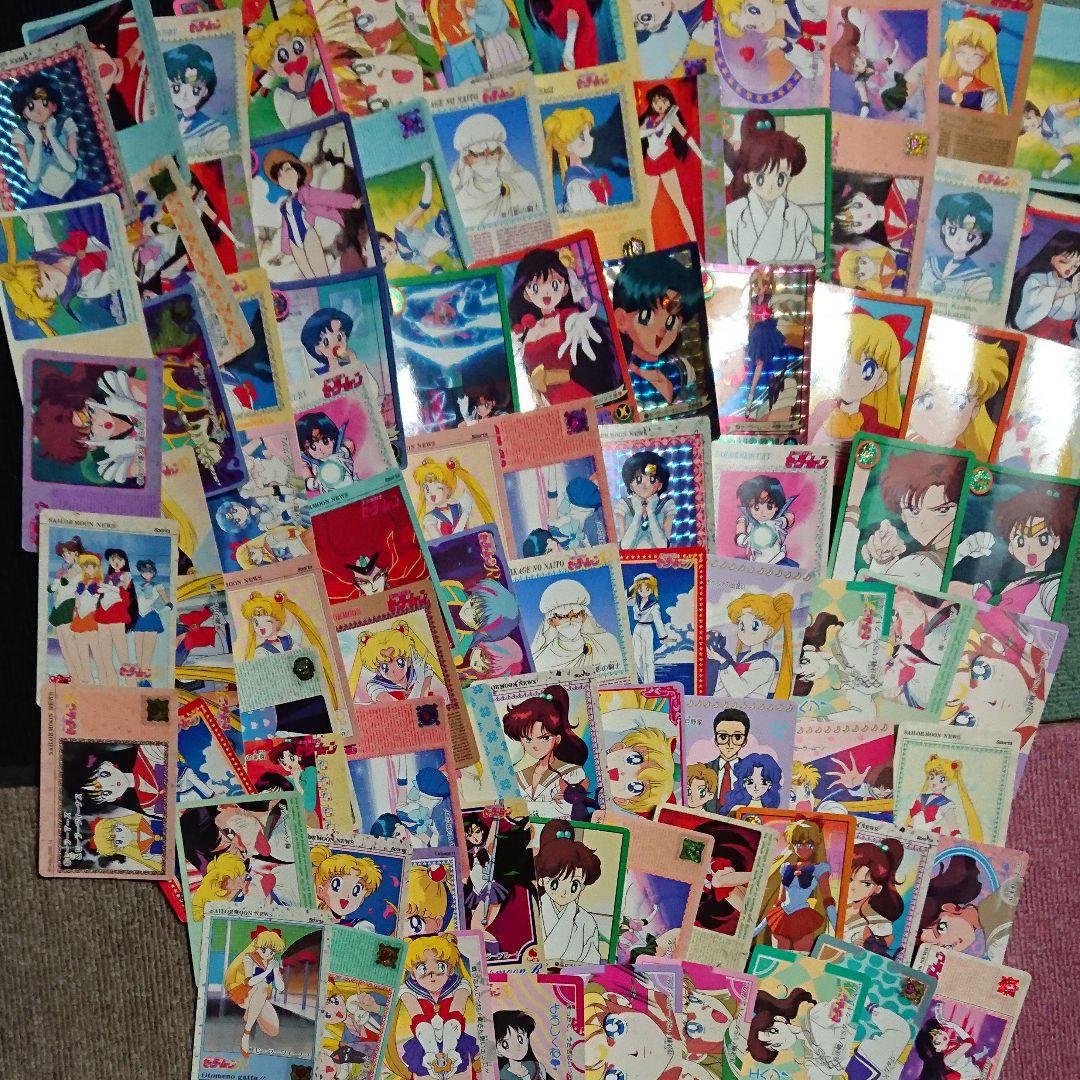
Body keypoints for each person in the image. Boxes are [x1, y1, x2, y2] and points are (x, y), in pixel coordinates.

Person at [507, 248, 614, 404]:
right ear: (526, 294)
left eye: (554, 284)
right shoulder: (528, 328)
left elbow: (574, 324)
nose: (546, 293)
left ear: (565, 289)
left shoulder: (566, 317)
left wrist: (578, 323)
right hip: (541, 401)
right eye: (535, 287)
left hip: (568, 397)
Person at [857, 451, 968, 590]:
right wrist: (883, 561)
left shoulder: (970, 556)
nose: (924, 523)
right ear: (902, 514)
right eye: (913, 511)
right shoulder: (911, 554)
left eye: (942, 510)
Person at [611, 250, 705, 412]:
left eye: (671, 321)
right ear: (621, 320)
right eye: (646, 317)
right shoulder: (619, 378)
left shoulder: (681, 369)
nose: (661, 331)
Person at [726, 109, 816, 265]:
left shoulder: (798, 217)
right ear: (747, 176)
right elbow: (727, 266)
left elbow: (807, 262)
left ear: (789, 178)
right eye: (760, 178)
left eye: (780, 178)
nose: (771, 186)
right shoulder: (732, 214)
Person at [809, 309, 908, 442]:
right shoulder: (823, 409)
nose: (848, 377)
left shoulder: (878, 427)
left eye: (867, 369)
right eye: (842, 359)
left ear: (880, 380)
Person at [262, 149, 362, 279]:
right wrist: (285, 249)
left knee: (321, 273)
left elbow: (327, 198)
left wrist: (351, 202)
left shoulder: (306, 193)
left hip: (308, 236)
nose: (284, 176)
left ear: (298, 172)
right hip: (295, 245)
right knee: (308, 275)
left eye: (287, 170)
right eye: (279, 175)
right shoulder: (285, 205)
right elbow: (286, 228)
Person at [907, 337, 1012, 458]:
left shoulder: (965, 455)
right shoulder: (903, 439)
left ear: (975, 410)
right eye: (926, 402)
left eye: (958, 403)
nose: (941, 414)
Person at [502, 685, 590, 817]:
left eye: (544, 738)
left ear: (557, 739)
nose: (535, 746)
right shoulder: (518, 776)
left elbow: (567, 811)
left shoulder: (572, 773)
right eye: (527, 739)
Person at [11, 74, 97, 207]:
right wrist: (38, 141)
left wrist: (52, 137)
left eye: (44, 103)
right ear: (24, 113)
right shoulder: (22, 136)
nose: (38, 111)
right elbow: (32, 177)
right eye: (30, 106)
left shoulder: (65, 126)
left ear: (54, 106)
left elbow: (72, 167)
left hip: (73, 189)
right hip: (46, 197)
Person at [246, 3, 334, 131]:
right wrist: (300, 94)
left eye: (298, 47)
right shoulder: (282, 94)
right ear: (270, 68)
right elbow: (297, 127)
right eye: (282, 56)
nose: (294, 58)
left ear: (311, 42)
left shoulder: (323, 72)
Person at [638, 84, 708, 241]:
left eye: (664, 101)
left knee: (680, 205)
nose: (660, 105)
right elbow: (639, 133)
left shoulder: (672, 118)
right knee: (646, 211)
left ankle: (694, 244)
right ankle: (645, 246)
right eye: (656, 101)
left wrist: (701, 155)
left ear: (669, 102)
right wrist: (654, 129)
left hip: (665, 162)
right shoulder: (649, 120)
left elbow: (686, 135)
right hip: (650, 164)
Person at [757, 817, 837, 952]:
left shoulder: (819, 869)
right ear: (792, 844)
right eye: (798, 844)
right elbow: (780, 901)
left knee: (801, 958)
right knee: (777, 957)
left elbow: (827, 900)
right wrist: (759, 928)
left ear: (815, 846)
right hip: (782, 918)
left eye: (809, 844)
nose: (804, 848)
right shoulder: (786, 867)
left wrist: (837, 927)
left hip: (803, 919)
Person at [449, 112, 543, 228]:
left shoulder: (523, 183)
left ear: (501, 154)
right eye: (478, 154)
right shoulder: (460, 199)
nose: (486, 159)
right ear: (466, 159)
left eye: (492, 152)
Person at [534, 818, 603, 964]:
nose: (564, 893)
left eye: (574, 886)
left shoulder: (586, 921)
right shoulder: (530, 912)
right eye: (555, 883)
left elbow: (591, 961)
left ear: (582, 886)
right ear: (541, 880)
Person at [377, 161, 460, 273]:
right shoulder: (407, 258)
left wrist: (428, 174)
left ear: (382, 239)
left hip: (444, 229)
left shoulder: (401, 230)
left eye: (381, 248)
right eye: (385, 259)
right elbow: (432, 268)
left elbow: (424, 204)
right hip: (450, 248)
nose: (387, 254)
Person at [710, 591, 795, 699]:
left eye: (755, 626)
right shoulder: (738, 657)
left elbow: (739, 691)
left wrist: (723, 663)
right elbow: (720, 689)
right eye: (742, 626)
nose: (746, 632)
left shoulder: (766, 662)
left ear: (769, 631)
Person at [529, 577, 622, 675]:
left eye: (575, 615)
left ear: (584, 616)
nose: (570, 621)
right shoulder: (541, 659)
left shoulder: (606, 644)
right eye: (563, 616)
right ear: (552, 621)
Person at [1007, 229, 1080, 344]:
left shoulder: (1072, 287)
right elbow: (1025, 314)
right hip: (1032, 339)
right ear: (1052, 256)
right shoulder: (1035, 280)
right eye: (1064, 261)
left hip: (1064, 343)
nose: (1069, 269)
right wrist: (1069, 290)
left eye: (1075, 266)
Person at [223, 926, 287, 1057]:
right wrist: (268, 972)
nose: (267, 954)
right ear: (256, 946)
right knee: (261, 985)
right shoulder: (249, 958)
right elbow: (250, 982)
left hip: (259, 998)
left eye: (272, 951)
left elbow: (281, 988)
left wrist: (275, 971)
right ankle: (246, 1034)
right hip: (244, 993)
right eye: (264, 949)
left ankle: (251, 1013)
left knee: (273, 1030)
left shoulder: (273, 962)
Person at [920, 192, 996, 302]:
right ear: (944, 229)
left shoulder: (978, 280)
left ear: (978, 240)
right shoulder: (931, 264)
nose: (959, 239)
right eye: (952, 230)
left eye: (969, 236)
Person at [164, 44, 232, 158]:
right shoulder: (171, 124)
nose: (185, 95)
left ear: (205, 91)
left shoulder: (215, 130)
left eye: (195, 89)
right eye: (176, 88)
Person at [543, 107, 612, 212]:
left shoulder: (586, 171)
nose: (591, 138)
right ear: (568, 146)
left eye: (589, 133)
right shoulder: (575, 183)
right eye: (582, 136)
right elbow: (587, 215)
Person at [844, 838, 904, 956]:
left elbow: (876, 954)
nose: (853, 887)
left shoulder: (879, 923)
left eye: (866, 884)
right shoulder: (836, 906)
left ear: (877, 889)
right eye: (850, 879)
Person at [939, 12, 1007, 113]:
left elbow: (986, 120)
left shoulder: (988, 93)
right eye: (961, 52)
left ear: (985, 59)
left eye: (976, 55)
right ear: (953, 53)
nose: (968, 59)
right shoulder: (941, 83)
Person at [413, 456, 495, 538]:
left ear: (448, 489)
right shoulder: (429, 518)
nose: (432, 494)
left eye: (438, 488)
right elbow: (442, 543)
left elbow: (469, 532)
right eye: (427, 489)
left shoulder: (459, 507)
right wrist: (465, 514)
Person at [905, 755, 982, 841]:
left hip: (929, 838)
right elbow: (912, 821)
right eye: (931, 777)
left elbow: (953, 827)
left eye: (941, 779)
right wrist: (902, 831)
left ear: (948, 782)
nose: (934, 781)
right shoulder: (921, 797)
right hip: (912, 835)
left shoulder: (946, 803)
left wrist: (958, 841)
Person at [615, 451, 677, 549]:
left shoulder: (667, 505)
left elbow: (663, 546)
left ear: (660, 485)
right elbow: (625, 547)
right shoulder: (624, 505)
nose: (644, 486)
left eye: (652, 480)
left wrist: (651, 513)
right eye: (638, 479)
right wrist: (638, 513)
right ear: (630, 485)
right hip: (632, 559)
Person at [311, 844, 382, 927]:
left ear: (362, 900)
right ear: (320, 891)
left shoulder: (358, 926)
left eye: (356, 890)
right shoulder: (310, 920)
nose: (347, 895)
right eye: (337, 885)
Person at [735, 474, 797, 566]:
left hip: (777, 560)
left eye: (769, 506)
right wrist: (742, 527)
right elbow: (741, 540)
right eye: (756, 507)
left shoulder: (776, 523)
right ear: (749, 507)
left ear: (777, 507)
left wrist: (786, 517)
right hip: (757, 564)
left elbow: (789, 518)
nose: (762, 512)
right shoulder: (752, 527)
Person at [523, 0, 602, 70]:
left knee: (582, 66)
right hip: (577, 41)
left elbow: (573, 16)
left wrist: (568, 50)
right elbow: (562, 32)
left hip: (582, 40)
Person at [626, 573, 672, 682]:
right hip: (637, 628)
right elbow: (624, 600)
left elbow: (658, 621)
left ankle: (650, 683)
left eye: (647, 589)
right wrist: (633, 585)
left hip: (647, 629)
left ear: (652, 590)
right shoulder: (635, 601)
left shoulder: (654, 605)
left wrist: (663, 637)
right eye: (640, 589)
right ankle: (645, 683)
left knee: (648, 659)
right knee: (636, 659)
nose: (643, 591)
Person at [703, 707, 750, 813]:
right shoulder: (705, 769)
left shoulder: (751, 771)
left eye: (737, 737)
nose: (729, 743)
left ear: (744, 741)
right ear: (716, 740)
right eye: (723, 737)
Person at [1021, 98, 1080, 180]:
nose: (1029, 125)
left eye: (1028, 118)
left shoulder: (1052, 112)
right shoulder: (1047, 136)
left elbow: (1075, 104)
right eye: (1026, 127)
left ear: (1032, 112)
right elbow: (1067, 158)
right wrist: (1052, 173)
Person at [494, 1010, 553, 1080]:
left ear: (527, 1039)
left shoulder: (537, 1067)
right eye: (505, 1044)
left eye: (520, 1038)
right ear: (497, 1051)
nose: (516, 1046)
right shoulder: (502, 1077)